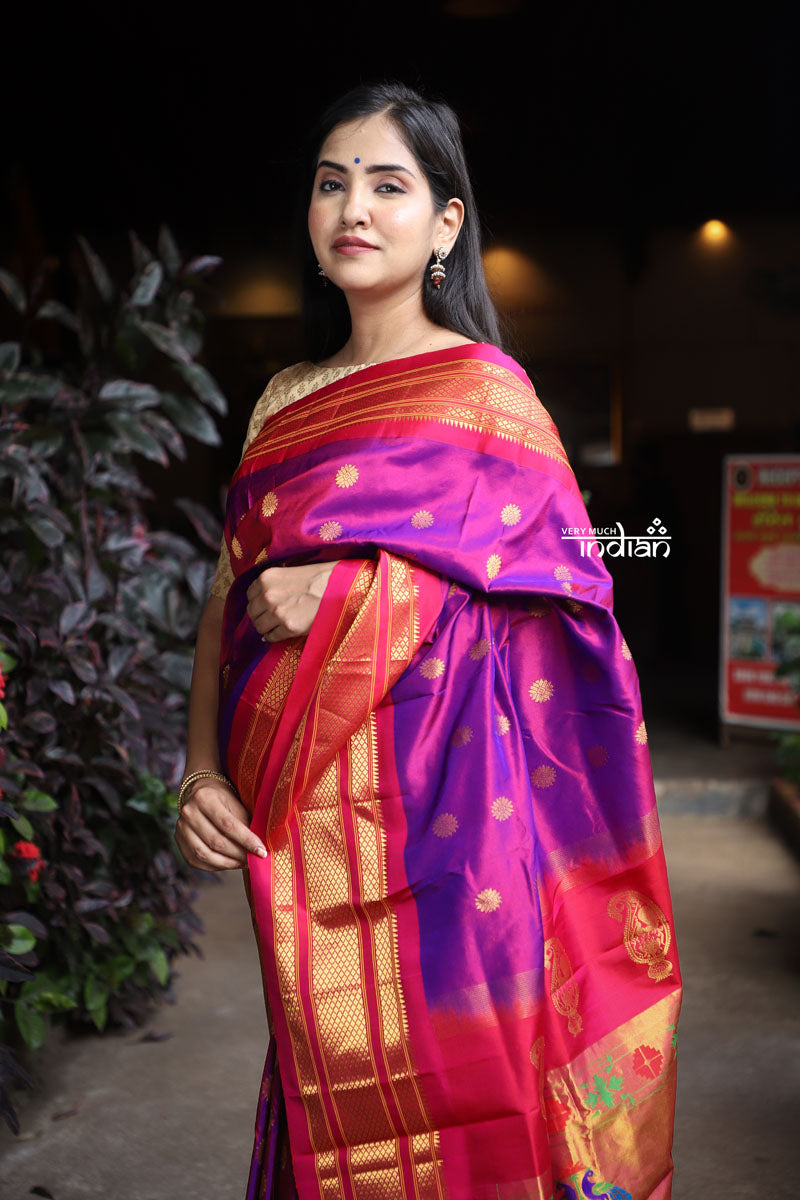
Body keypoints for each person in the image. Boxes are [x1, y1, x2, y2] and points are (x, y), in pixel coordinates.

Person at [175, 79, 682, 1200]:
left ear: (445, 223)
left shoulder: (488, 397)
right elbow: (226, 599)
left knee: (467, 1080)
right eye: (330, 184)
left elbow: (575, 595)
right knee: (327, 1084)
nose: (352, 208)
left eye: (387, 185)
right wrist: (200, 768)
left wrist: (359, 588)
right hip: (299, 819)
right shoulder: (282, 400)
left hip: (453, 827)